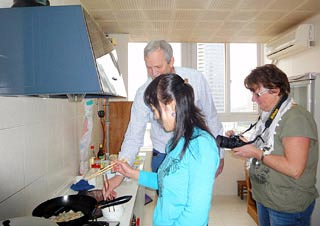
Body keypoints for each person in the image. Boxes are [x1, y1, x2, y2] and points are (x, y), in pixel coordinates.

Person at [105, 40, 224, 197]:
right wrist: (119, 175)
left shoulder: (195, 79)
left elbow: (211, 118)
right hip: (163, 155)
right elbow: (133, 136)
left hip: (194, 154)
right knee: (166, 203)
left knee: (192, 200)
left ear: (171, 61)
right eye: (149, 67)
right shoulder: (143, 93)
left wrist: (220, 154)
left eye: (158, 67)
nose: (153, 73)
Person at [112, 73, 220, 226]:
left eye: (155, 109)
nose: (155, 116)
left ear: (170, 105)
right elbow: (167, 181)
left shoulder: (201, 146)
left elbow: (196, 216)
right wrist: (129, 172)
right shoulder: (177, 143)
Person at [226, 64, 318, 226]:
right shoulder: (270, 116)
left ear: (275, 90)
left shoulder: (295, 118)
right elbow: (269, 146)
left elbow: (294, 169)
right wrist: (244, 143)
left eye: (257, 93)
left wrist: (256, 153)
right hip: (267, 199)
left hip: (286, 205)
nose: (253, 99)